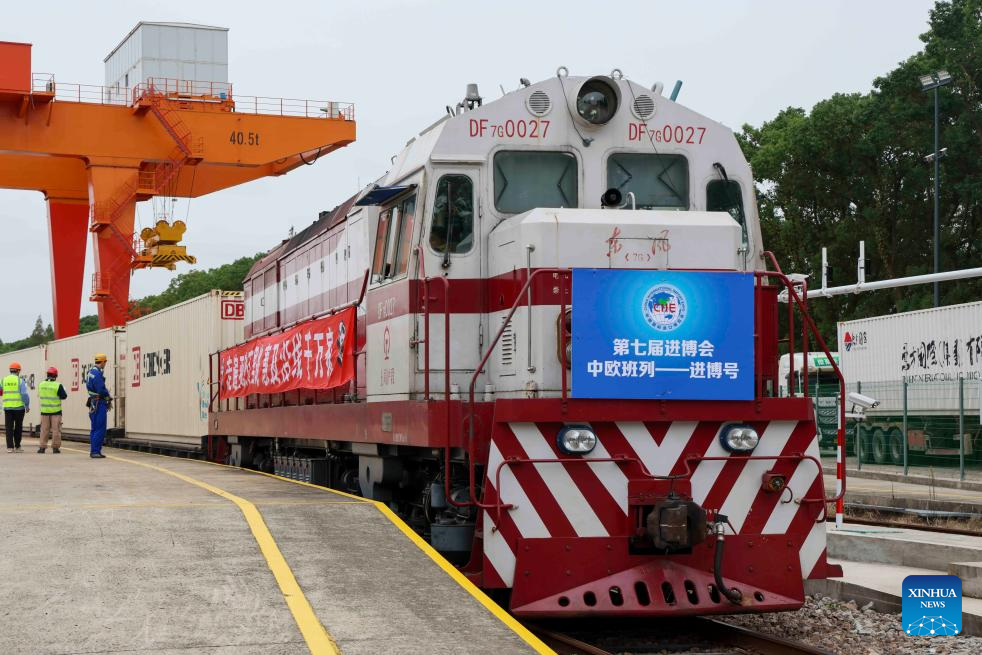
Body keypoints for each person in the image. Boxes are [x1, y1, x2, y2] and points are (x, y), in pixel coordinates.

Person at [86, 354, 112, 459]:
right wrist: (108, 397)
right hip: (99, 403)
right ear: (102, 362)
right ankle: (96, 451)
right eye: (105, 362)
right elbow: (101, 389)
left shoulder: (90, 372)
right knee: (100, 428)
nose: (105, 364)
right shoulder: (97, 374)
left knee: (94, 428)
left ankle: (94, 450)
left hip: (93, 402)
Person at [37, 367, 67, 454]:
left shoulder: (41, 384)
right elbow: (64, 396)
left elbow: (39, 395)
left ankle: (42, 448)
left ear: (47, 375)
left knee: (44, 430)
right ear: (55, 376)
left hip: (44, 412)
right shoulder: (58, 385)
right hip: (56, 412)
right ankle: (55, 448)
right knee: (56, 430)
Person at [2, 361, 30, 453]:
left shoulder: (3, 380)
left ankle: (10, 447)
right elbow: (24, 394)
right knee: (18, 427)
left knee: (9, 428)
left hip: (8, 408)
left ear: (10, 370)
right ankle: (17, 446)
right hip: (19, 408)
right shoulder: (20, 381)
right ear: (18, 371)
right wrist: (27, 405)